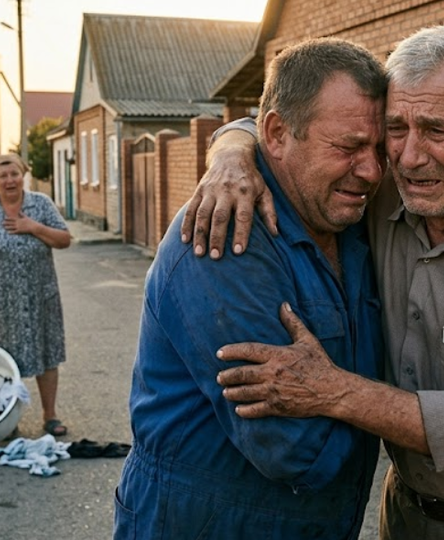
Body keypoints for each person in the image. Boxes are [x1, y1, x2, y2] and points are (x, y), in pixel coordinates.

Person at [187, 26, 444, 538]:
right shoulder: (381, 197)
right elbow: (289, 124)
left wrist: (334, 393)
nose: (406, 157)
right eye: (395, 127)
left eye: (437, 130)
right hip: (401, 512)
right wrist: (230, 150)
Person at [113, 38, 390, 540]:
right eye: (348, 147)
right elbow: (294, 450)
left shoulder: (354, 224)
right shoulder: (222, 233)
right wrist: (420, 416)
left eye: (379, 148)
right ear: (278, 134)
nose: (371, 170)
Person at [0, 153, 73, 437]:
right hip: (0, 304)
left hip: (40, 299)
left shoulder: (41, 205)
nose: (10, 180)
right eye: (3, 176)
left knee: (47, 357)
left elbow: (64, 240)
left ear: (24, 175)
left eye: (15, 174)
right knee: (1, 362)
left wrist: (32, 227)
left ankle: (50, 415)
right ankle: (5, 419)